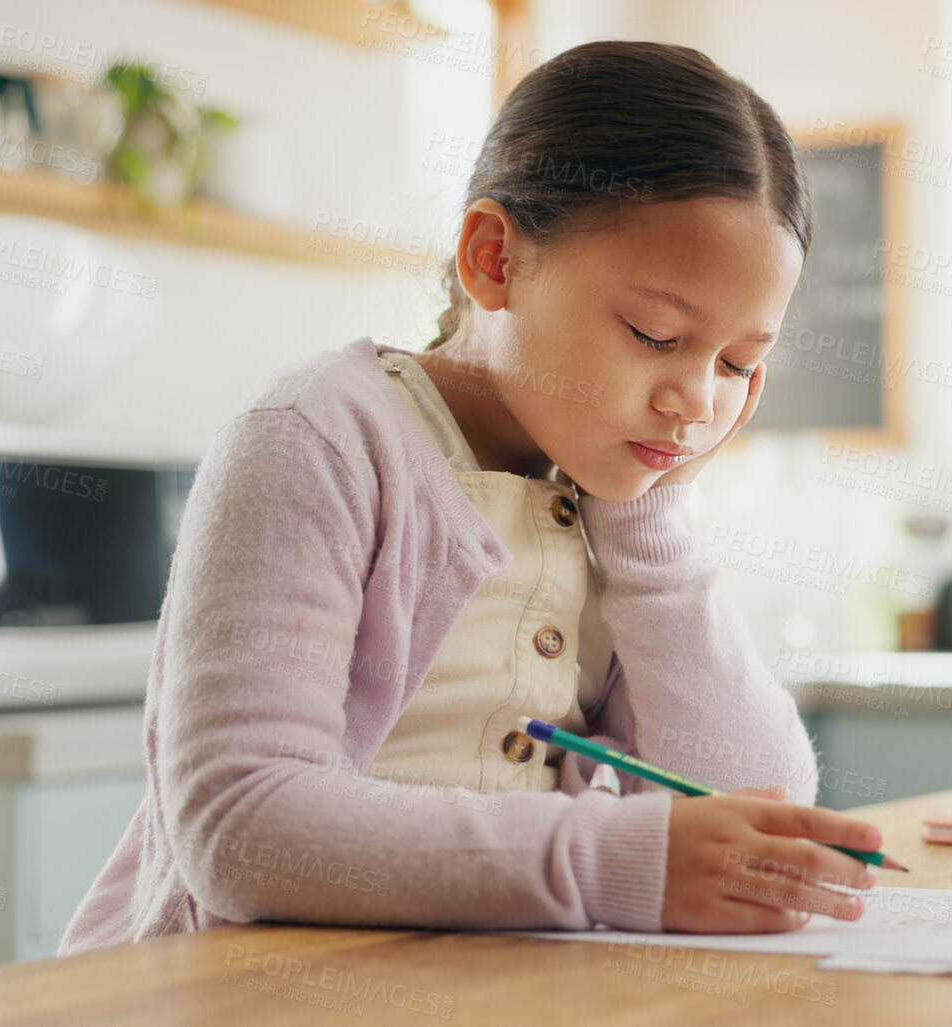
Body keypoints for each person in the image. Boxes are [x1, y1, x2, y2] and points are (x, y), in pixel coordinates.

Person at [58, 40, 883, 955]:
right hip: (240, 988)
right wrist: (607, 859)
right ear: (494, 260)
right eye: (655, 334)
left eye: (738, 364)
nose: (697, 400)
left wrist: (649, 518)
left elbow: (747, 799)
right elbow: (243, 826)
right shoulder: (319, 435)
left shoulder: (600, 488)